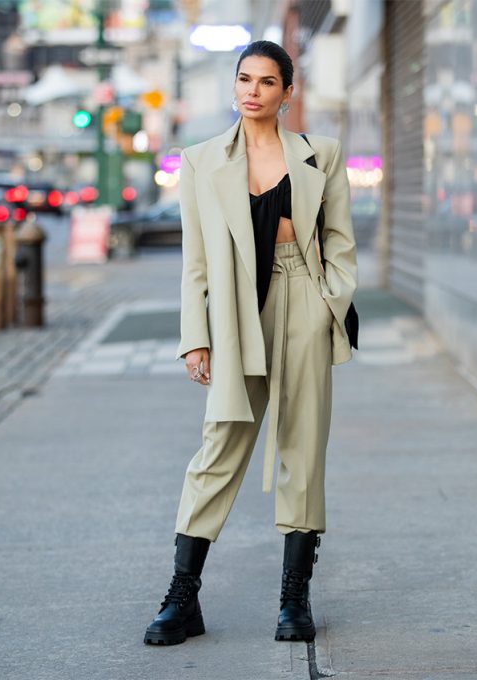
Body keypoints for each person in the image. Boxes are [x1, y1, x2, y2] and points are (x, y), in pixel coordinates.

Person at [144, 40, 357, 646]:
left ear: (287, 92)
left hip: (303, 297)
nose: (252, 91)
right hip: (236, 311)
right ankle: (182, 599)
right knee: (221, 445)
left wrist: (326, 308)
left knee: (303, 446)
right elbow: (196, 262)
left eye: (267, 82)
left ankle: (294, 602)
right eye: (244, 79)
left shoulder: (323, 155)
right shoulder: (202, 160)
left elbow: (340, 243)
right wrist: (196, 338)